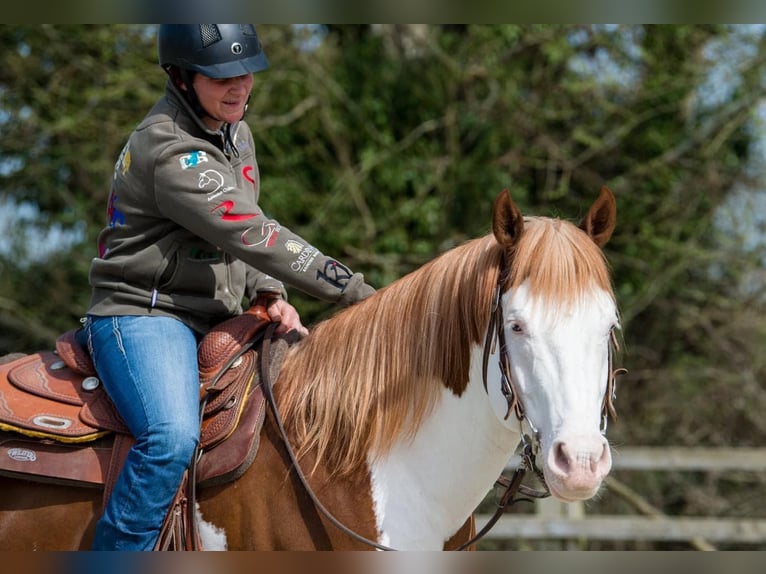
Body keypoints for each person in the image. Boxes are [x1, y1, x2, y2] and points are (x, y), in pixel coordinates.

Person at [78, 24, 375, 550]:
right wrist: (361, 294)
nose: (238, 85)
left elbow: (246, 226)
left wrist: (267, 291)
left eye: (246, 72)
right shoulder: (170, 151)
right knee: (171, 439)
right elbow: (255, 232)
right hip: (146, 315)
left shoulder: (235, 132)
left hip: (216, 314)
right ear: (182, 77)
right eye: (220, 76)